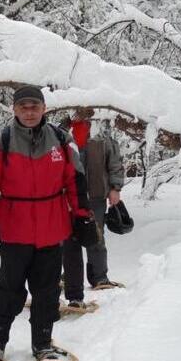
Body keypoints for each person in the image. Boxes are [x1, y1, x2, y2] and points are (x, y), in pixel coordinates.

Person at [0, 85, 93, 361]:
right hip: (14, 229)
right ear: (14, 110)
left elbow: (76, 182)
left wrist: (83, 215)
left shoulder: (63, 141)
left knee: (47, 290)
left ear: (44, 109)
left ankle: (42, 343)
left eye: (34, 106)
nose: (29, 112)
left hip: (52, 229)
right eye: (23, 107)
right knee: (9, 288)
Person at [59, 113, 124, 307]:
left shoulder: (101, 131)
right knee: (65, 239)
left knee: (96, 236)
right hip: (66, 195)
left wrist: (115, 188)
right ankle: (65, 277)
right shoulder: (61, 130)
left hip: (95, 193)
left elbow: (115, 162)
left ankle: (99, 278)